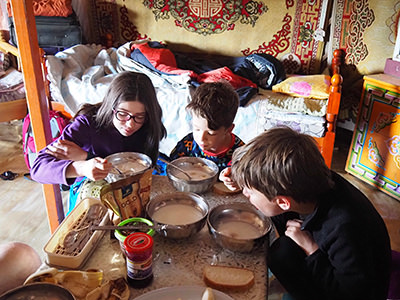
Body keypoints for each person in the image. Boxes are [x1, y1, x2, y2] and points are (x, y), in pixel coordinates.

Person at [227, 127, 392, 300]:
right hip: (331, 259)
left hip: (353, 292)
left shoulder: (345, 228)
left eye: (249, 191)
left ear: (283, 202)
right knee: (283, 248)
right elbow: (276, 207)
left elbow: (353, 294)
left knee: (280, 255)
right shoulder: (307, 182)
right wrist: (244, 180)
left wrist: (311, 250)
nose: (245, 194)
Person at [30, 71, 167, 210]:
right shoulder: (88, 123)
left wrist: (86, 156)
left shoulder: (149, 123)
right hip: (91, 193)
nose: (130, 124)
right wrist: (82, 167)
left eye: (139, 116)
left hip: (132, 188)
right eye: (122, 114)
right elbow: (38, 168)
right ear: (111, 107)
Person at [169, 81, 244, 173]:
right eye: (197, 129)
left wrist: (233, 181)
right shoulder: (187, 144)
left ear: (228, 129)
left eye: (210, 133)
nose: (201, 139)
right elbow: (172, 166)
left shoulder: (240, 154)